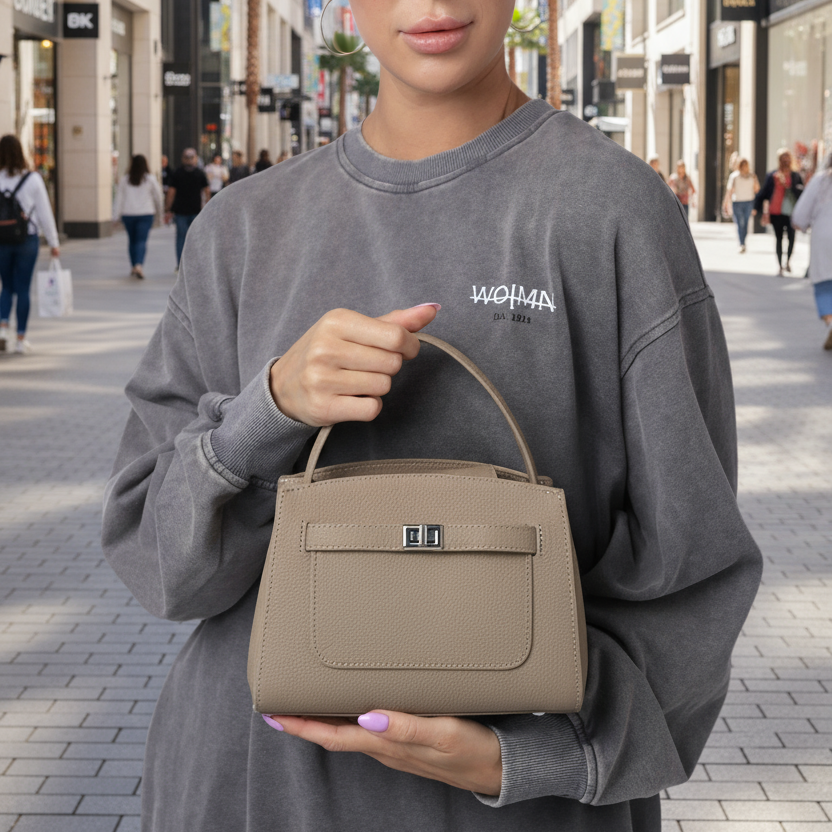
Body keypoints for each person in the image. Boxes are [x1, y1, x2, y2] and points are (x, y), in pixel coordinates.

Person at [102, 4, 762, 831]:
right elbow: (154, 561)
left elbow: (695, 565)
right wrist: (263, 414)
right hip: (248, 786)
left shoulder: (610, 210)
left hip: (518, 808)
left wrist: (533, 755)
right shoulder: (243, 227)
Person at [0, 134, 59, 355]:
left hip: (1, 240)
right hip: (27, 239)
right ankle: (20, 340)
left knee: (6, 286)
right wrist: (53, 242)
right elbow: (45, 212)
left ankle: (3, 327)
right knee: (22, 288)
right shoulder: (33, 180)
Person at [791, 152, 832, 349]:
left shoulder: (820, 181)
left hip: (824, 237)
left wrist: (802, 224)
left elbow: (799, 216)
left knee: (824, 284)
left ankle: (831, 322)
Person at [753, 148, 804, 276]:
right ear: (779, 160)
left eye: (787, 158)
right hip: (776, 211)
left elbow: (802, 193)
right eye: (783, 159)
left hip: (791, 212)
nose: (785, 161)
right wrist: (756, 207)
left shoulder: (795, 176)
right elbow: (764, 192)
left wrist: (790, 187)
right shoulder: (772, 175)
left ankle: (788, 262)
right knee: (779, 238)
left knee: (792, 237)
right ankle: (780, 266)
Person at [113, 154, 164, 279]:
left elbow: (119, 198)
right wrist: (160, 212)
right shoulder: (150, 179)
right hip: (146, 214)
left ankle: (134, 265)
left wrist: (115, 215)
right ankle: (138, 265)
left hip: (128, 214)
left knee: (132, 241)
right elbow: (158, 196)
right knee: (141, 240)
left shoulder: (125, 179)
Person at [164, 148, 210, 270]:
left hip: (182, 211)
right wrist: (208, 206)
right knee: (195, 238)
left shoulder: (177, 173)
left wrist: (168, 208)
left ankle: (181, 264)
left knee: (181, 238)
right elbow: (207, 191)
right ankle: (193, 264)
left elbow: (171, 192)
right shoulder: (199, 173)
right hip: (195, 211)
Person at [722, 158, 760, 253]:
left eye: (745, 165)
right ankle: (741, 243)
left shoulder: (752, 176)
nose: (744, 167)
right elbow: (730, 191)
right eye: (742, 165)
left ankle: (743, 241)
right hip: (737, 202)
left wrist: (755, 181)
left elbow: (757, 190)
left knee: (746, 223)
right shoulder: (734, 176)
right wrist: (726, 203)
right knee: (740, 223)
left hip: (748, 202)